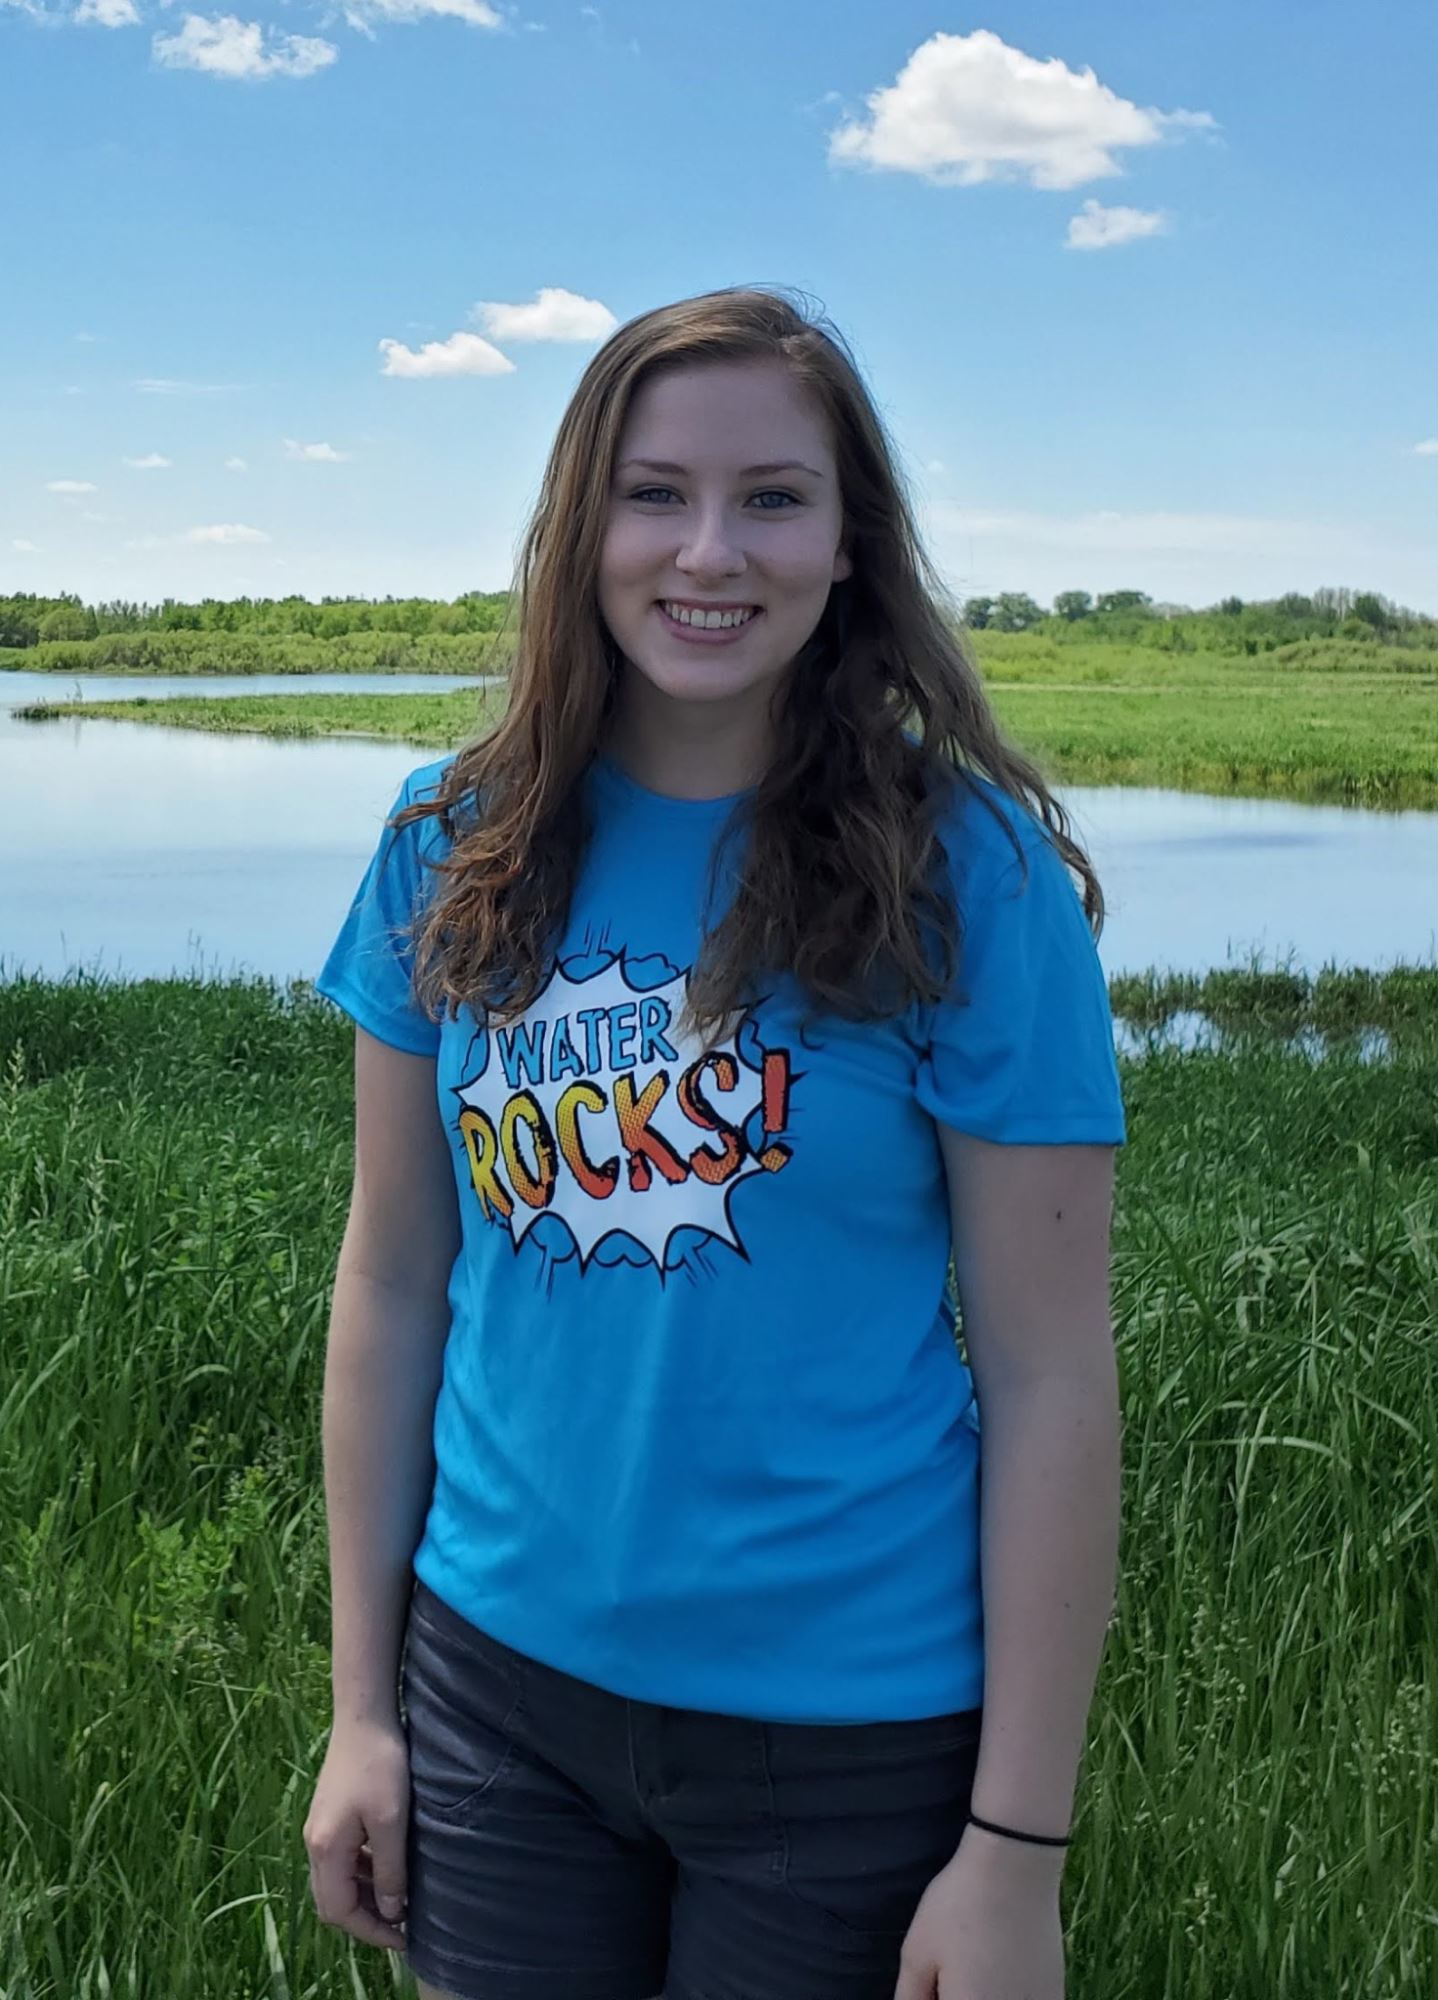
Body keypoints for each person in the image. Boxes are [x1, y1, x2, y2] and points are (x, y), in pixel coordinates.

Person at [303, 284, 1126, 2000]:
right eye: (653, 491)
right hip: (492, 1699)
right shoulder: (452, 840)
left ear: (847, 546)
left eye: (773, 497)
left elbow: (1050, 1377)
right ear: (579, 527)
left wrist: (1014, 1853)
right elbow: (391, 1281)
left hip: (840, 1744)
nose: (709, 550)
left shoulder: (961, 876)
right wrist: (361, 1712)